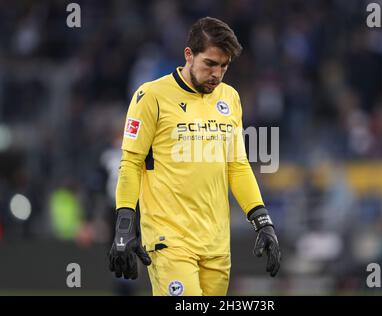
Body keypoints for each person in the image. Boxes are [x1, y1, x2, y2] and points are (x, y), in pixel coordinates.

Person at [108, 16, 281, 296]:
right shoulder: (151, 96)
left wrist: (262, 220)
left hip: (216, 245)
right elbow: (130, 163)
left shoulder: (230, 98)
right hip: (170, 241)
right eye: (210, 63)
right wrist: (124, 225)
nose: (217, 74)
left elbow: (236, 166)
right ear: (189, 55)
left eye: (224, 66)